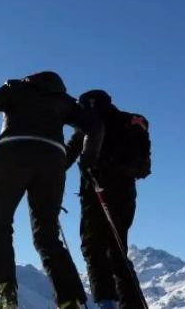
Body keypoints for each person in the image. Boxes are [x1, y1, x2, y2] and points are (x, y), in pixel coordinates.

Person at [0, 71, 104, 309]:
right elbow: (95, 127)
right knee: (47, 236)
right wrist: (87, 160)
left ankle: (5, 296)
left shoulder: (14, 88)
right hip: (52, 160)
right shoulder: (66, 102)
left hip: (11, 153)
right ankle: (71, 300)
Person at [66, 90, 151, 309]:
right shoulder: (130, 121)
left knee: (93, 248)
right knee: (117, 251)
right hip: (126, 193)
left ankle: (106, 304)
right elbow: (142, 165)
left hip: (97, 190)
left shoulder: (89, 123)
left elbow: (69, 154)